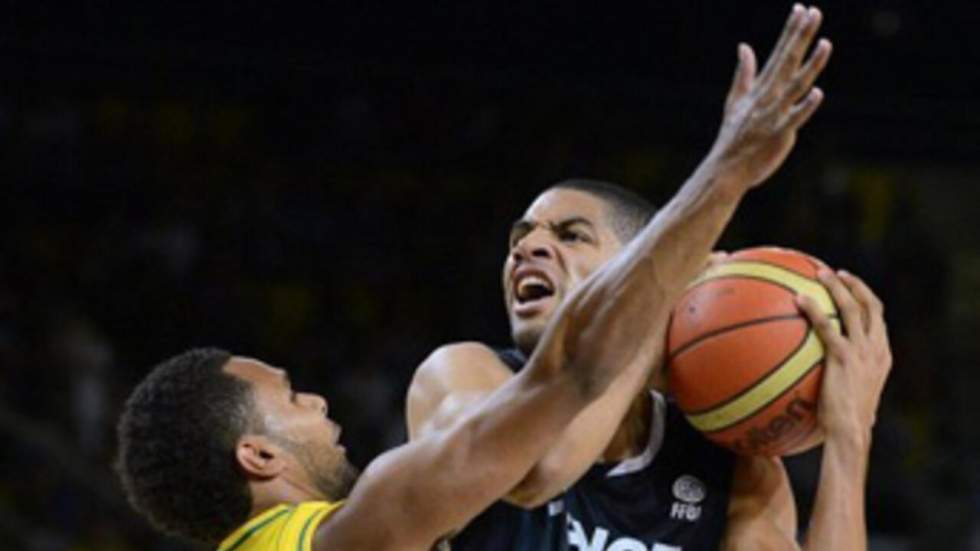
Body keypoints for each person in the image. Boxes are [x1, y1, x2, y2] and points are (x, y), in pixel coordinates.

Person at [407, 4, 892, 551]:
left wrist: (851, 437)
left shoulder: (732, 469)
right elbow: (535, 474)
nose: (527, 248)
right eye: (521, 238)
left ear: (639, 265)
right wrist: (650, 312)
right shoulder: (464, 374)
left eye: (570, 235)